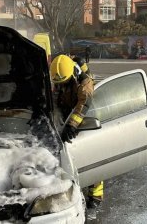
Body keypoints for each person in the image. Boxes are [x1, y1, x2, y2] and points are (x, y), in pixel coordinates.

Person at [49, 54, 103, 212]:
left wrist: (71, 125)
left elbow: (84, 104)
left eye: (65, 82)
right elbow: (55, 97)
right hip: (69, 118)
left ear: (73, 74)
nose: (62, 85)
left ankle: (96, 196)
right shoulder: (60, 74)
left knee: (92, 157)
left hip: (88, 119)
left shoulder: (84, 83)